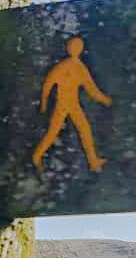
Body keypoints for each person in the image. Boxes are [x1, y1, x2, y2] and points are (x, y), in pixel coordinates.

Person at [33, 36, 111, 172]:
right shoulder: (63, 66)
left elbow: (91, 88)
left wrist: (104, 99)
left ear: (80, 49)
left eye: (78, 47)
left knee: (85, 130)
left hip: (73, 105)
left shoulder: (80, 68)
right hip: (62, 105)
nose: (75, 49)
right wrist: (44, 103)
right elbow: (48, 84)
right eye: (73, 46)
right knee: (53, 133)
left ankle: (93, 161)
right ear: (69, 48)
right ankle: (36, 156)